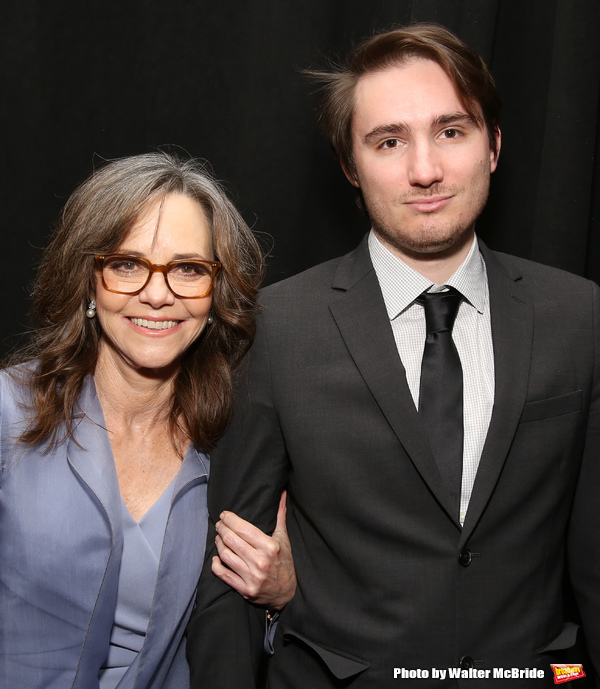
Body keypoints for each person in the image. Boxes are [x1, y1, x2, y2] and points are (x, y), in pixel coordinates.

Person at [187, 23, 600, 688]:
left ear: (494, 145)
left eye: (452, 131)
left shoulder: (579, 316)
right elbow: (230, 577)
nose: (425, 170)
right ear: (351, 166)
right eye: (389, 141)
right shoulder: (277, 328)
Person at [0, 152, 295, 689]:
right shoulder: (8, 413)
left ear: (215, 291)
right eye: (127, 264)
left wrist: (281, 597)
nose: (157, 294)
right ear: (89, 281)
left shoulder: (237, 442)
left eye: (188, 269)